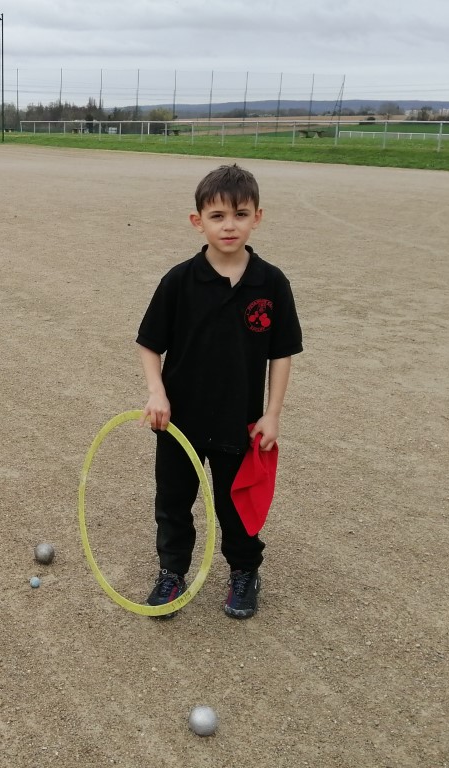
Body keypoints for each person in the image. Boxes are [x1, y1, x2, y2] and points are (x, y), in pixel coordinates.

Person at [136, 164, 302, 619]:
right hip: (179, 421)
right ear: (198, 221)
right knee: (173, 503)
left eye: (240, 214)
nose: (229, 226)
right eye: (217, 216)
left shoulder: (271, 283)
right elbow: (149, 343)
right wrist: (156, 392)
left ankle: (245, 571)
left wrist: (272, 414)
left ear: (257, 218)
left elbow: (282, 354)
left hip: (239, 423)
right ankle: (172, 573)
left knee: (237, 507)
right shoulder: (179, 281)